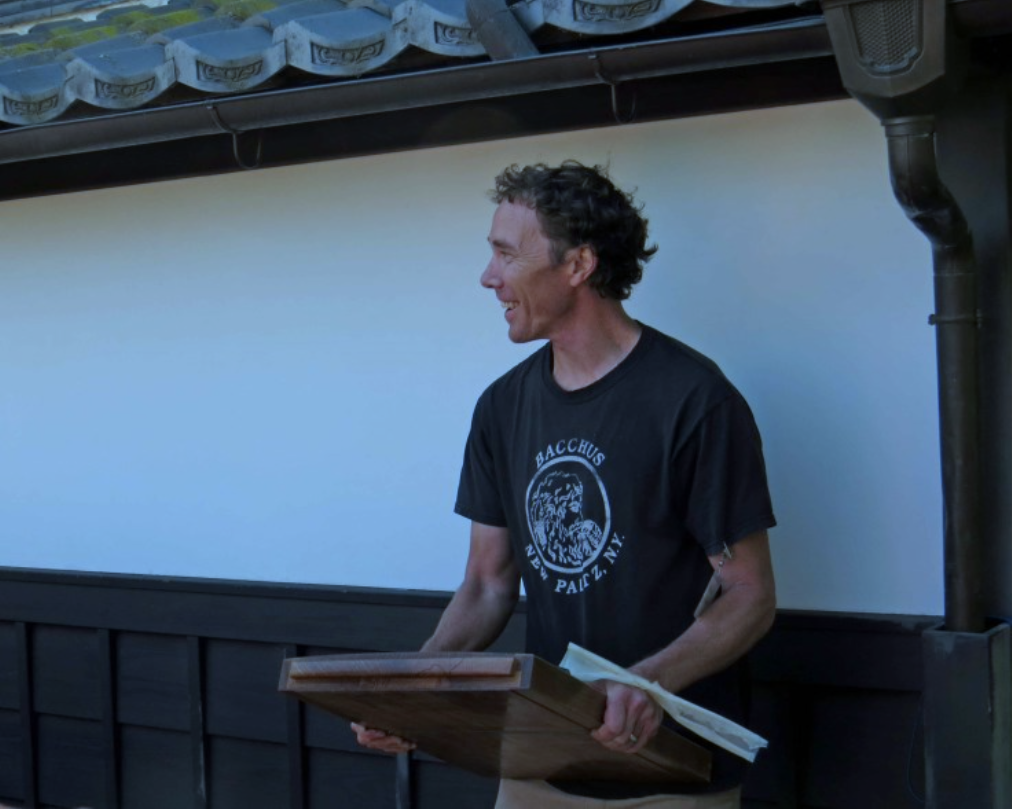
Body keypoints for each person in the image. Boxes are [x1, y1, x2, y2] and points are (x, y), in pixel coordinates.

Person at [354, 161, 777, 809]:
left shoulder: (693, 400)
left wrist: (647, 685)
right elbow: (487, 584)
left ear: (578, 266)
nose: (488, 276)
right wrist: (419, 686)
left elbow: (748, 594)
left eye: (505, 254)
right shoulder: (502, 406)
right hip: (540, 761)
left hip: (672, 766)